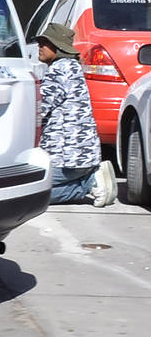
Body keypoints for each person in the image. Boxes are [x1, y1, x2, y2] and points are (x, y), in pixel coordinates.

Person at [37, 22, 115, 207]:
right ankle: (91, 178)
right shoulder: (72, 67)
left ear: (58, 47)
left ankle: (90, 183)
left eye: (45, 43)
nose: (39, 46)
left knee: (27, 193)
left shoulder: (58, 70)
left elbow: (39, 110)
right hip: (84, 157)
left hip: (67, 160)